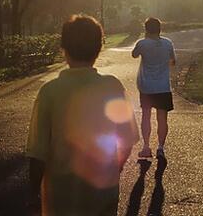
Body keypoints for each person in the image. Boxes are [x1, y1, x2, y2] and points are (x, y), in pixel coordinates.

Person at [26, 15, 139, 216]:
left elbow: (37, 155)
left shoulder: (49, 92)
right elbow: (127, 139)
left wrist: (32, 196)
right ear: (98, 48)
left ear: (64, 49)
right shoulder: (112, 87)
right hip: (103, 198)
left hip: (59, 201)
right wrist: (115, 169)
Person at [131, 17, 176, 159]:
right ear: (160, 29)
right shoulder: (168, 43)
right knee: (162, 118)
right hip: (163, 86)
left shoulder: (142, 44)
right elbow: (173, 62)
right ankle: (161, 148)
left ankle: (146, 146)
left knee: (146, 116)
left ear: (146, 29)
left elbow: (134, 55)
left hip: (147, 87)